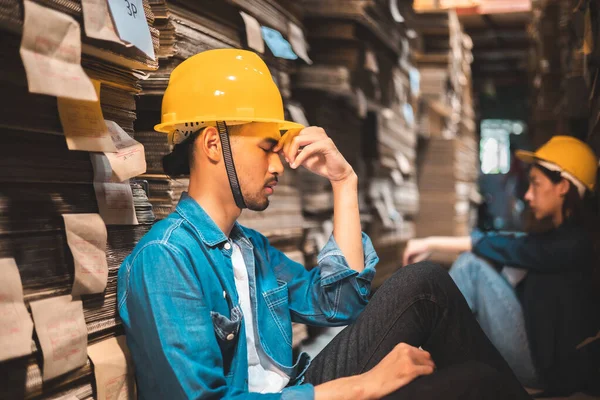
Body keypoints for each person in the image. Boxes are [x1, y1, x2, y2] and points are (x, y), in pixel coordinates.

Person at [117, 49, 531, 399]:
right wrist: (361, 387)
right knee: (471, 375)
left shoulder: (248, 249)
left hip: (299, 390)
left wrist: (343, 182)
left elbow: (343, 302)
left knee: (428, 292)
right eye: (267, 148)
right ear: (212, 144)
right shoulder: (166, 258)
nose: (279, 165)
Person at [403, 136, 600, 396]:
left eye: (536, 184)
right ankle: (423, 350)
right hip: (536, 353)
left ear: (562, 186)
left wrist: (430, 241)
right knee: (484, 264)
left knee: (473, 266)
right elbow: (514, 243)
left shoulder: (575, 243)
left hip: (540, 368)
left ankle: (413, 352)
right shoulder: (561, 238)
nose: (528, 195)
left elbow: (510, 247)